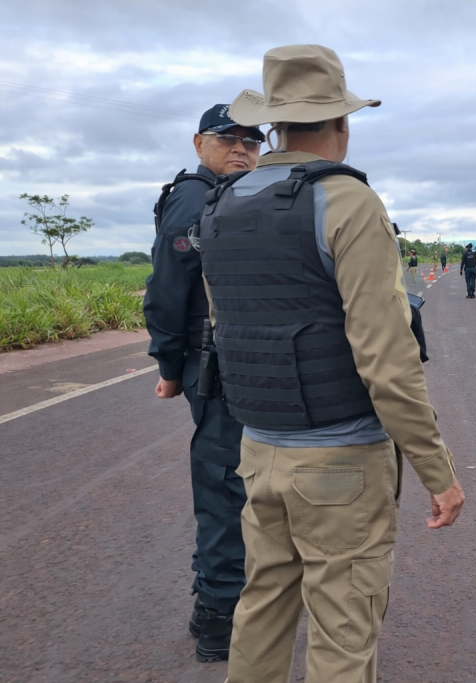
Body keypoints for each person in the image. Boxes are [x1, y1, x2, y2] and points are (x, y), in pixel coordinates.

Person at [199, 44, 465, 683]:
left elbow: (225, 326)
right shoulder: (347, 200)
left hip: (258, 450)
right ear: (342, 122)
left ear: (273, 125)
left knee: (261, 608)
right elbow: (386, 358)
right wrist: (437, 471)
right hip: (340, 462)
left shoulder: (222, 203)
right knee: (344, 633)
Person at [143, 104, 264, 662]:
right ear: (199, 144)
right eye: (227, 138)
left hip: (239, 364)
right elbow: (167, 294)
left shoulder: (233, 195)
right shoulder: (195, 198)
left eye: (251, 141)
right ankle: (218, 615)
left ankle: (219, 595)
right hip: (210, 362)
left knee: (241, 484)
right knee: (224, 486)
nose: (241, 149)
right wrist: (169, 368)